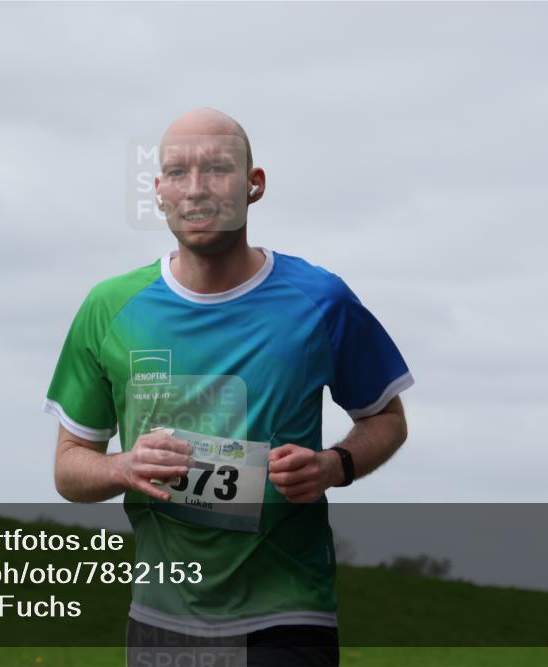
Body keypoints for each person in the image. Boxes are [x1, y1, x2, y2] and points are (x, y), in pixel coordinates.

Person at [43, 108, 412, 667]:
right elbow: (70, 467)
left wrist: (334, 465)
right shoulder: (110, 309)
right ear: (159, 191)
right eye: (178, 173)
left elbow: (387, 419)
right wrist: (124, 468)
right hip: (160, 618)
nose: (197, 190)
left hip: (288, 611)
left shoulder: (321, 300)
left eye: (216, 169)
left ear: (253, 185)